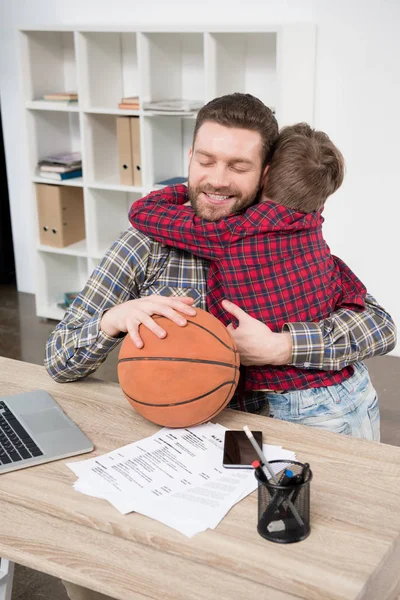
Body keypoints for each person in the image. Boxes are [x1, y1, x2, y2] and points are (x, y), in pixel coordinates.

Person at [44, 93, 396, 600]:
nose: (216, 179)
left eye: (238, 166)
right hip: (209, 432)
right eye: (205, 160)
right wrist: (114, 320)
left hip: (302, 419)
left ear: (265, 172)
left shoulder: (285, 230)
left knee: (325, 560)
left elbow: (380, 326)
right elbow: (59, 358)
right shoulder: (145, 244)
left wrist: (282, 346)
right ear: (189, 157)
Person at [129, 122, 378, 435]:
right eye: (206, 162)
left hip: (302, 404)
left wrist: (197, 187)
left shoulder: (230, 233)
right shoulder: (314, 225)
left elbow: (142, 211)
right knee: (359, 483)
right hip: (356, 388)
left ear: (264, 175)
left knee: (297, 483)